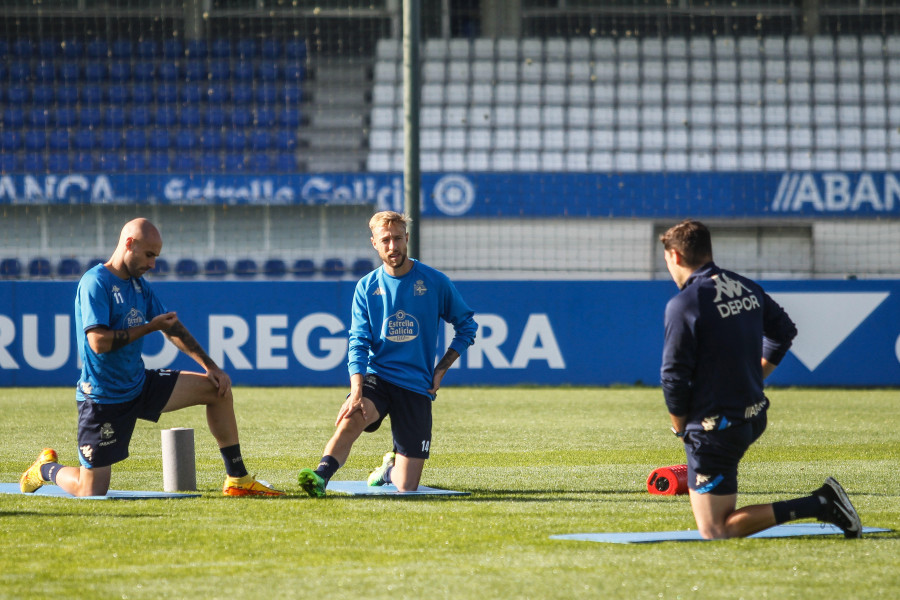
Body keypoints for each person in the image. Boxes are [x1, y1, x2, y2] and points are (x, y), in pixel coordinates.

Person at [20, 218, 283, 498]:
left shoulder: (139, 286)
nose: (153, 264)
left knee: (217, 389)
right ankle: (45, 468)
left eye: (156, 256)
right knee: (91, 490)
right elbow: (98, 342)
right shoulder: (95, 282)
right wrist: (149, 327)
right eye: (149, 255)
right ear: (129, 244)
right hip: (102, 398)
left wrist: (212, 367)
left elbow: (170, 326)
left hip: (139, 384)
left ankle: (237, 479)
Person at [659, 219, 861, 539]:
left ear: (675, 257)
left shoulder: (684, 303)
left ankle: (821, 503)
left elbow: (673, 377)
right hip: (753, 414)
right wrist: (756, 377)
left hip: (716, 427)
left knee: (716, 529)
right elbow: (784, 333)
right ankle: (820, 502)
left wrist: (680, 426)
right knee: (716, 512)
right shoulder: (745, 286)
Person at [298, 211, 477, 497]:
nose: (392, 246)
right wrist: (356, 390)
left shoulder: (435, 282)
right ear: (374, 244)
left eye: (397, 239)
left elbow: (467, 326)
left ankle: (389, 469)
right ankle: (320, 476)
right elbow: (357, 342)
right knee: (351, 417)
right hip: (377, 377)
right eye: (385, 240)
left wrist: (440, 369)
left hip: (416, 385)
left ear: (407, 239)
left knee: (406, 486)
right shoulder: (366, 287)